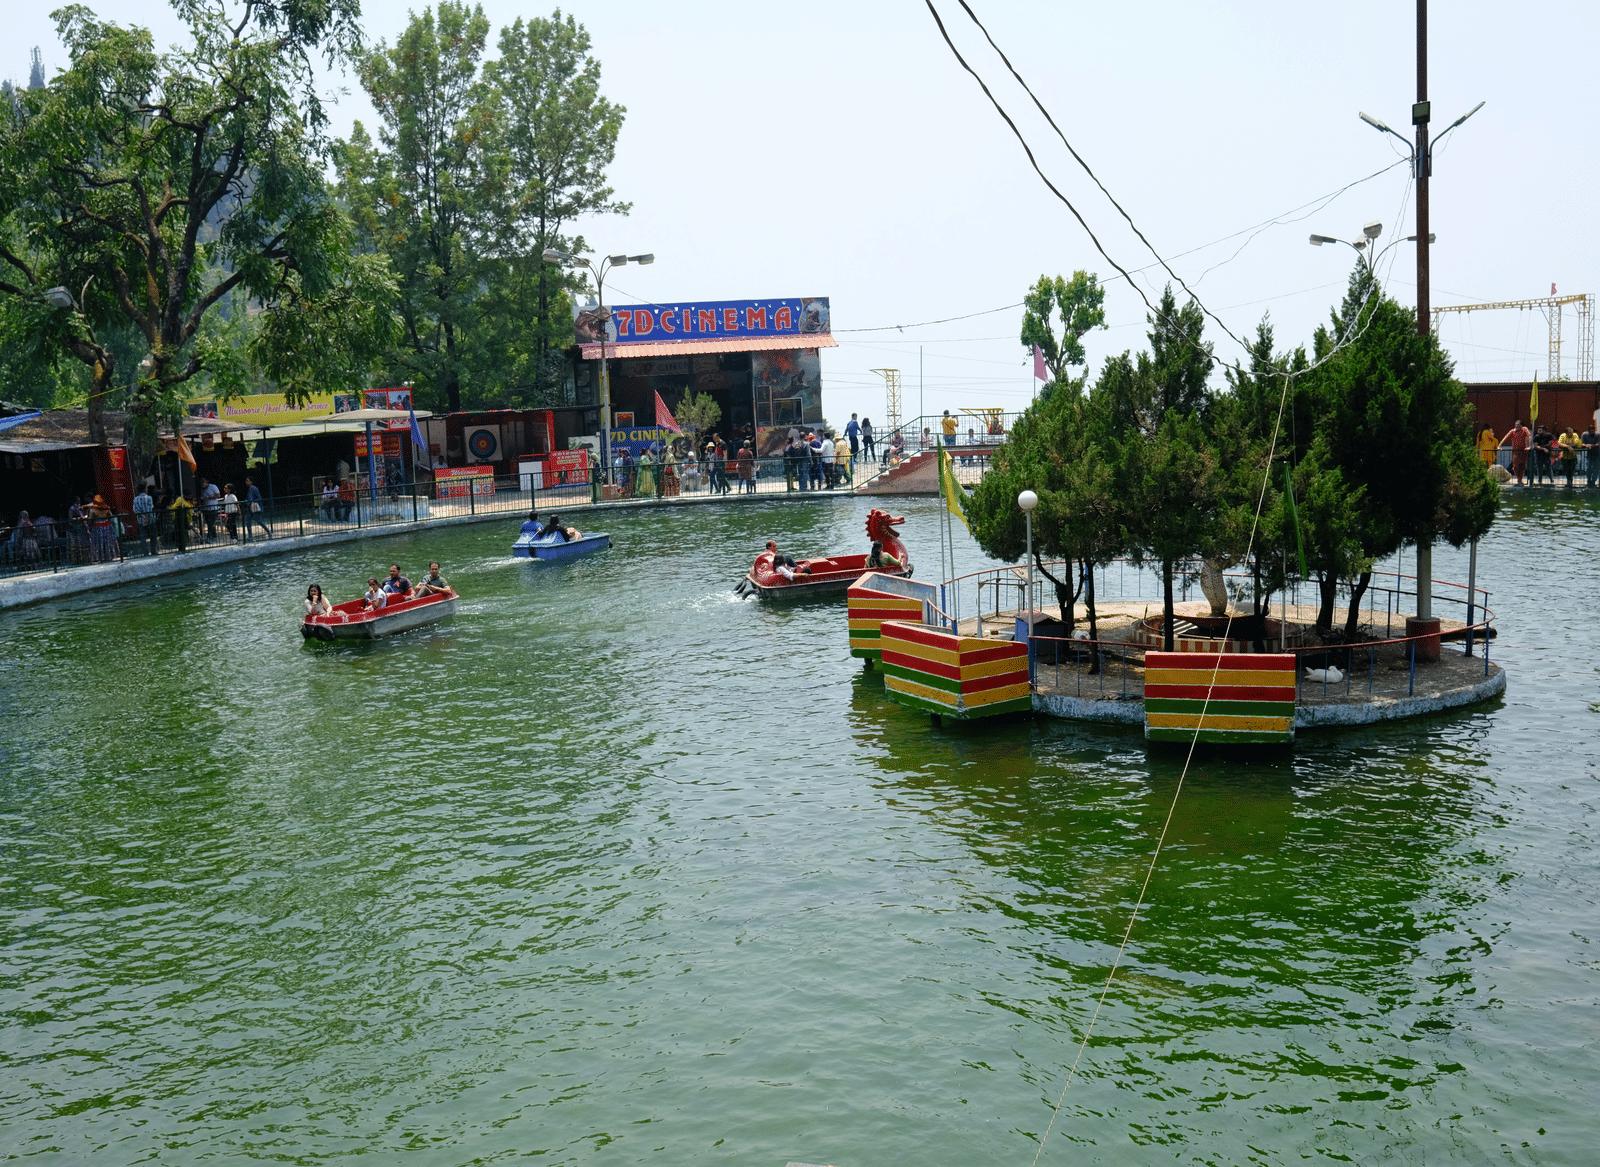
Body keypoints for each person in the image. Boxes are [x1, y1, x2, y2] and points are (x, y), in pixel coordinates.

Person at [87, 494, 119, 562]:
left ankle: (99, 557)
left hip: (97, 527)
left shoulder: (93, 510)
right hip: (107, 526)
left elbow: (90, 519)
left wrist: (89, 526)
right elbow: (111, 516)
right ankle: (109, 555)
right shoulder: (106, 508)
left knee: (98, 542)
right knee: (108, 541)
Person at [1499, 419, 1531, 485]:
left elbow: (1529, 436)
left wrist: (1529, 446)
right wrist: (1499, 445)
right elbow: (1505, 437)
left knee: (1522, 466)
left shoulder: (1524, 429)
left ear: (1521, 425)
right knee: (1515, 467)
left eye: (1518, 425)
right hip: (1515, 451)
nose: (1517, 426)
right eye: (1516, 425)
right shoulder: (1512, 431)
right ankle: (1519, 479)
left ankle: (1520, 480)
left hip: (1523, 451)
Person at [132, 485, 155, 555]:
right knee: (152, 535)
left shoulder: (135, 499)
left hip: (140, 519)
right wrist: (146, 515)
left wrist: (142, 515)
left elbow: (135, 510)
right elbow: (150, 507)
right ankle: (153, 551)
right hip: (150, 519)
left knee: (142, 536)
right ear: (145, 489)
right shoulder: (149, 498)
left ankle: (145, 552)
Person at [1583, 421, 1600, 488]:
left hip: (1597, 454)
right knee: (1589, 468)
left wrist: (1591, 445)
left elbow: (1598, 443)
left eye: (1593, 431)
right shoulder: (1585, 435)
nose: (1593, 432)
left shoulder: (1598, 435)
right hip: (1589, 454)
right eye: (1591, 431)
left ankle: (1593, 481)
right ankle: (1589, 481)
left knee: (1596, 469)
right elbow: (1582, 443)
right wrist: (1586, 445)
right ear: (1589, 431)